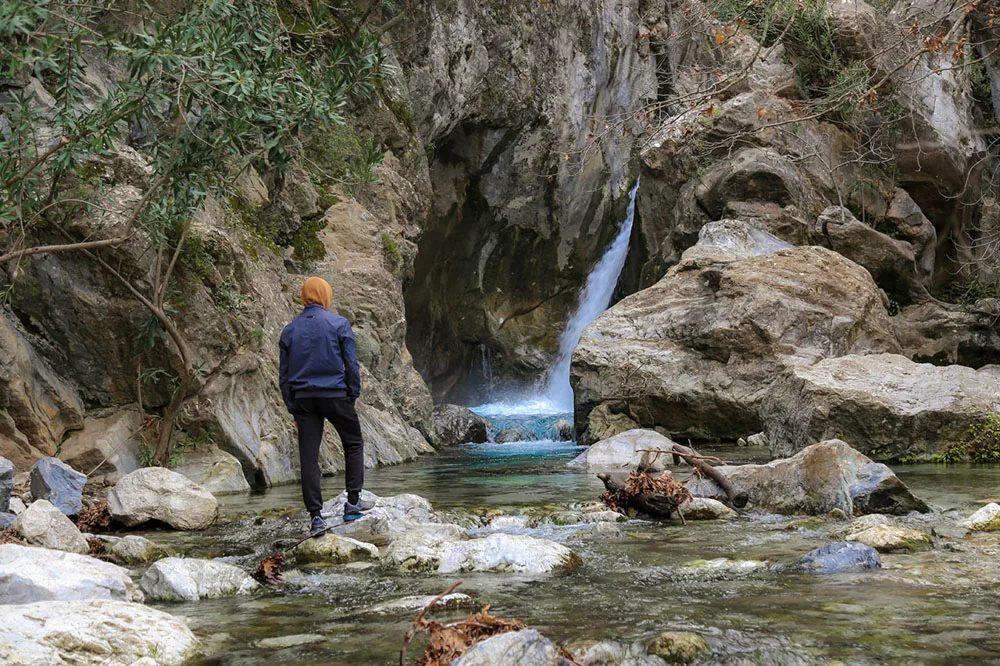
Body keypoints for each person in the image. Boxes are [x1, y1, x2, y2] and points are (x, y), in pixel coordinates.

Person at [279, 276, 373, 534]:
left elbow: (284, 376)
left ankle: (316, 518)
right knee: (353, 443)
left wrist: (293, 407)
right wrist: (352, 396)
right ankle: (353, 503)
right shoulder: (338, 324)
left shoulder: (289, 330)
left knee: (309, 457)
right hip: (335, 395)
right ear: (324, 295)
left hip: (303, 400)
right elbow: (351, 365)